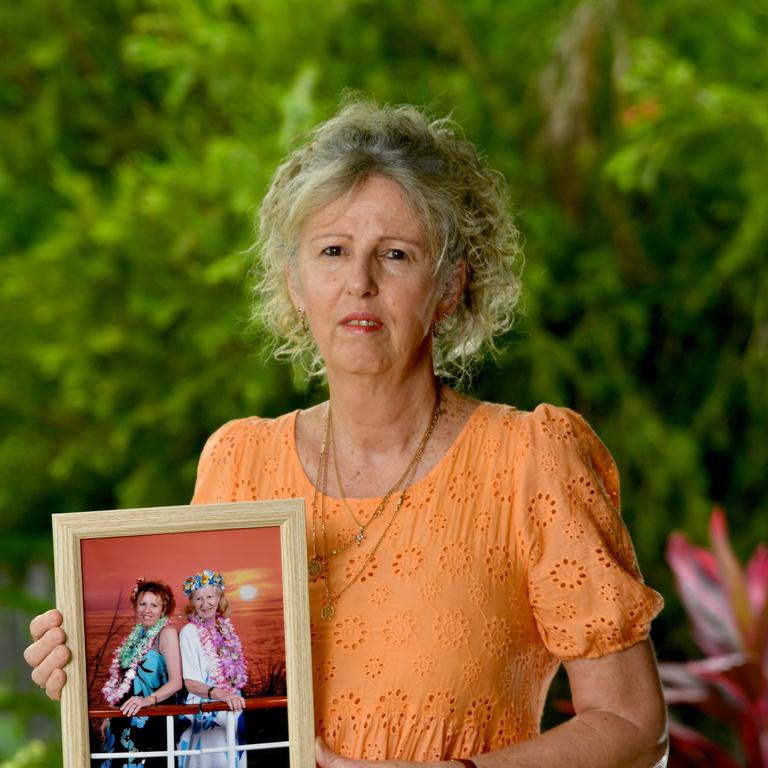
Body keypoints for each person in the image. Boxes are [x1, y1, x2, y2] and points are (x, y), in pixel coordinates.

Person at [26, 100, 668, 768]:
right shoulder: (239, 460)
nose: (360, 283)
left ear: (449, 287)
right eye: (333, 251)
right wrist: (95, 663)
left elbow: (631, 723)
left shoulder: (531, 460)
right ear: (296, 283)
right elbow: (203, 687)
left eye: (395, 255)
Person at [98, 578, 182, 767]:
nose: (147, 610)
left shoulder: (166, 633)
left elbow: (176, 682)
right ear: (135, 607)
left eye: (154, 605)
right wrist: (109, 716)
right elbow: (122, 683)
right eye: (143, 604)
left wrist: (147, 700)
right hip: (124, 721)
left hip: (151, 723)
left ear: (163, 609)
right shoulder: (134, 639)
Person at [177, 569, 248, 767]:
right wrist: (222, 696)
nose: (205, 604)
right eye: (198, 598)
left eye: (210, 597)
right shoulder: (189, 632)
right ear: (192, 602)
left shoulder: (225, 629)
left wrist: (230, 696)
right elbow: (190, 683)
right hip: (206, 712)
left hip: (231, 709)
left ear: (219, 598)